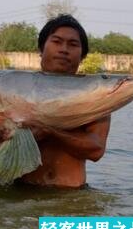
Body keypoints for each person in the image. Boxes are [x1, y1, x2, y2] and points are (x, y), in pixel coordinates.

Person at [19, 14, 110, 187]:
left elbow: (96, 149)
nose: (64, 49)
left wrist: (51, 131)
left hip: (71, 200)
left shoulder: (96, 95)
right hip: (20, 193)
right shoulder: (17, 91)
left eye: (73, 44)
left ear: (82, 55)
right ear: (41, 48)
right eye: (57, 41)